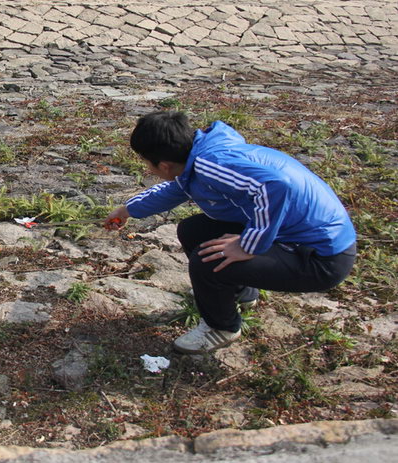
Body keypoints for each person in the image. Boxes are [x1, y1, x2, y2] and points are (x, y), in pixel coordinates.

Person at [105, 111, 357, 355]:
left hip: (321, 257)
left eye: (147, 164)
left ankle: (221, 327)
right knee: (194, 230)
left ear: (164, 165)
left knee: (206, 260)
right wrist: (127, 210)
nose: (149, 169)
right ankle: (241, 293)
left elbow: (276, 186)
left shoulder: (211, 164)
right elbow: (174, 190)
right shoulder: (199, 156)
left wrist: (247, 245)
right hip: (291, 237)